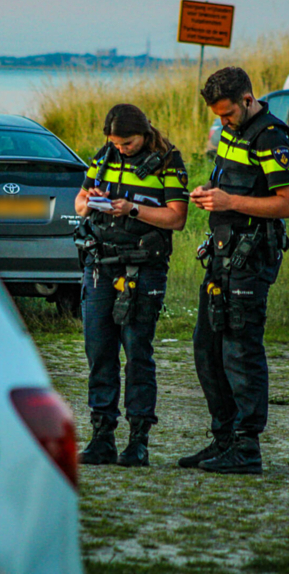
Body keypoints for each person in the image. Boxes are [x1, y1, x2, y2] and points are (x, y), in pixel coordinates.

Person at [183, 66, 289, 475]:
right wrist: (209, 196)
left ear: (248, 100)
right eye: (217, 116)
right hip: (221, 254)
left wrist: (229, 202)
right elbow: (232, 186)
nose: (223, 122)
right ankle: (223, 440)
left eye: (228, 113)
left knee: (240, 351)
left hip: (251, 259)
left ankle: (247, 449)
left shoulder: (271, 135)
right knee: (207, 348)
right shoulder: (232, 131)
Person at [74, 104, 189, 468]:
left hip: (143, 267)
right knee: (99, 350)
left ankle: (138, 440)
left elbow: (177, 217)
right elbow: (80, 199)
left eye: (128, 142)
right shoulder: (104, 156)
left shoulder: (168, 160)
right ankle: (101, 436)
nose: (122, 148)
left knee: (137, 352)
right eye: (116, 142)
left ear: (143, 132)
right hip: (100, 263)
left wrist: (132, 209)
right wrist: (88, 204)